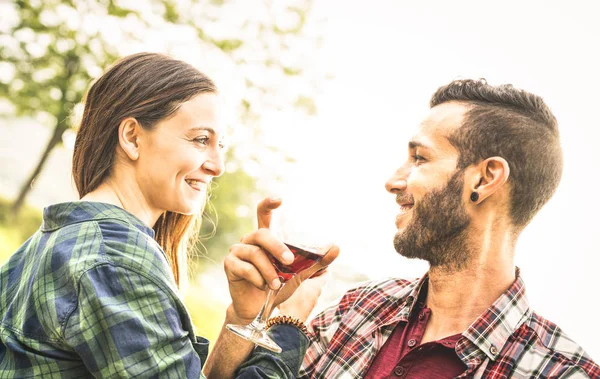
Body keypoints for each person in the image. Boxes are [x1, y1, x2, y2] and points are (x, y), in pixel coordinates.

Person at [0, 52, 338, 378]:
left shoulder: (57, 240)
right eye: (200, 139)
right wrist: (290, 323)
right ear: (132, 137)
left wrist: (244, 315)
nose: (217, 166)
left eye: (220, 145)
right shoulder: (116, 262)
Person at [232, 79, 600, 378]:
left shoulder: (564, 373)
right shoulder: (356, 311)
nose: (393, 181)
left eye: (419, 158)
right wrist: (247, 317)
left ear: (485, 179)